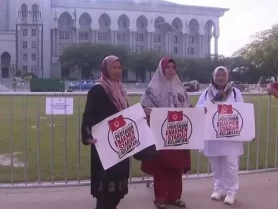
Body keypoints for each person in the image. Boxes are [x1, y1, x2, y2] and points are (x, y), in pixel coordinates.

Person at [140, 57, 191, 209]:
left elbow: (187, 107)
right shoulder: (152, 89)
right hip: (160, 134)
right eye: (167, 67)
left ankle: (175, 197)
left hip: (178, 132)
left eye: (173, 67)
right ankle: (161, 197)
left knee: (177, 166)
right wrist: (148, 112)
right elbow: (144, 109)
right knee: (161, 166)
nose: (170, 70)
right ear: (161, 69)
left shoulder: (180, 88)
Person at [81, 55, 130, 209]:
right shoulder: (98, 89)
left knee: (117, 189)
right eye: (113, 68)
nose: (117, 71)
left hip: (121, 143)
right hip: (104, 144)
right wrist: (87, 135)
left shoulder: (120, 90)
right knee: (105, 192)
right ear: (105, 69)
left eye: (119, 68)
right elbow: (88, 114)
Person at [195, 66, 245, 205]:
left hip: (230, 135)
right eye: (218, 75)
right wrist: (213, 102)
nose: (220, 78)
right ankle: (219, 188)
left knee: (230, 163)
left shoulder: (235, 93)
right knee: (216, 164)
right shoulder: (206, 93)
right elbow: (198, 109)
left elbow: (242, 111)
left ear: (228, 77)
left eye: (223, 75)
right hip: (212, 134)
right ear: (213, 76)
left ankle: (231, 191)